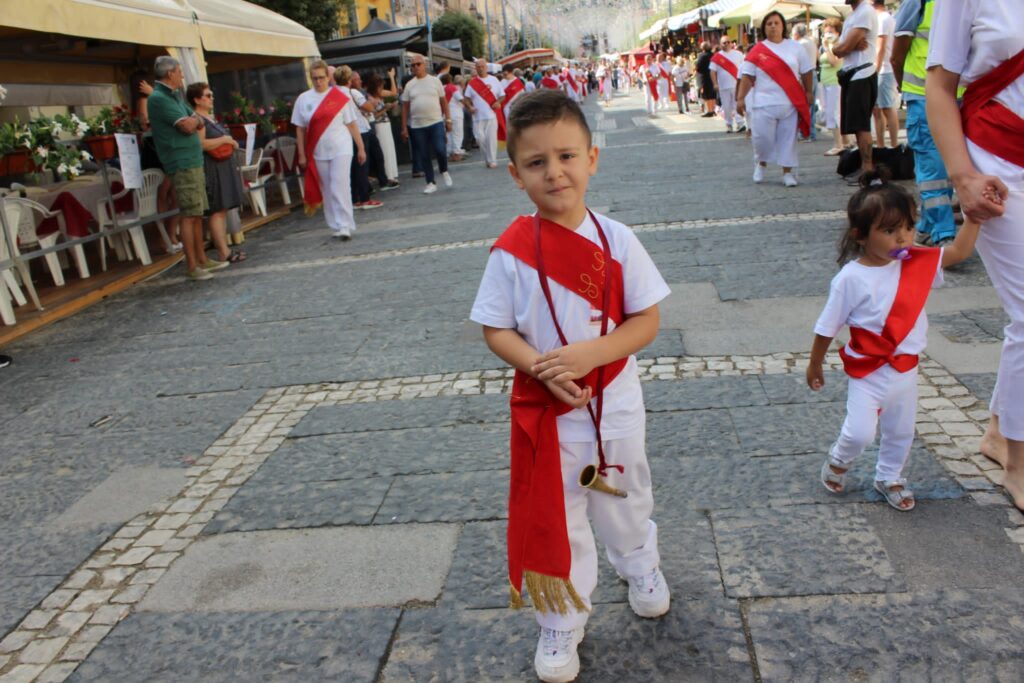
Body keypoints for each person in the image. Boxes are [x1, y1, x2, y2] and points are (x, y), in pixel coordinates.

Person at [469, 89, 671, 683]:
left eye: (566, 156)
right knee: (558, 514)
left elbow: (647, 320)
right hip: (548, 411)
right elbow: (496, 328)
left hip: (616, 405)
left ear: (592, 159)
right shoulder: (510, 253)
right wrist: (541, 367)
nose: (554, 173)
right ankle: (561, 616)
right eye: (536, 162)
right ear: (515, 174)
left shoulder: (619, 240)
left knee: (626, 497)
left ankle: (639, 564)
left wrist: (591, 355)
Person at [809, 171, 981, 511]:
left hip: (906, 369)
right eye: (889, 230)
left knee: (901, 431)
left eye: (908, 227)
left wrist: (973, 217)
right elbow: (827, 326)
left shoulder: (916, 262)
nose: (902, 237)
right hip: (868, 370)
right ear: (860, 235)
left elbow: (960, 251)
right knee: (860, 432)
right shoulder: (850, 278)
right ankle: (839, 458)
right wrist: (815, 363)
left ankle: (890, 476)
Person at [926, 0, 1024, 511]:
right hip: (997, 163)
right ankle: (1019, 466)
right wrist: (962, 176)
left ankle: (998, 431)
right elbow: (939, 87)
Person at [147, 56, 226, 280]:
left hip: (192, 160)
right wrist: (195, 120)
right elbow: (188, 125)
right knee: (189, 214)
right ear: (170, 73)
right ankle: (192, 265)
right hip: (181, 161)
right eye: (179, 71)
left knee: (197, 212)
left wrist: (195, 119)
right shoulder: (159, 98)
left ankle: (202, 259)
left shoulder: (174, 96)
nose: (182, 75)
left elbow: (196, 118)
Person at [890, 0, 954, 247]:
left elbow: (897, 57)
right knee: (935, 168)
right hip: (938, 96)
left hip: (932, 95)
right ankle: (936, 230)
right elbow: (897, 57)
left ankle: (934, 229)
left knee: (938, 168)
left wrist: (904, 86)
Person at [736, 12, 815, 187]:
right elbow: (747, 76)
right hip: (763, 103)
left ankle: (787, 173)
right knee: (762, 139)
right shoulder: (757, 50)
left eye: (776, 23)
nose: (773, 26)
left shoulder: (795, 48)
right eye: (769, 23)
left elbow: (806, 71)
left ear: (783, 26)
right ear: (764, 28)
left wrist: (809, 92)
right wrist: (740, 98)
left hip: (790, 102)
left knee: (788, 139)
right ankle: (761, 163)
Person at [292, 60, 367, 240]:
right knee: (326, 188)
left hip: (341, 146)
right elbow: (300, 129)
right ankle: (335, 224)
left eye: (321, 77)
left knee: (339, 184)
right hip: (318, 150)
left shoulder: (339, 97)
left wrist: (361, 147)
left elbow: (351, 123)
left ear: (328, 77)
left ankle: (345, 224)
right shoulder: (303, 99)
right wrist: (301, 154)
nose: (318, 82)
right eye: (314, 78)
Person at [185, 82, 245, 264]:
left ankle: (224, 248)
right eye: (208, 95)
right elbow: (200, 144)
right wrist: (225, 139)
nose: (212, 98)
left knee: (223, 209)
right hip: (212, 167)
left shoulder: (208, 118)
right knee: (217, 209)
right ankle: (223, 251)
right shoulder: (198, 119)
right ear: (197, 100)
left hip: (223, 165)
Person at [832, 0, 879, 182]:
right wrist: (843, 46)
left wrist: (844, 46)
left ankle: (868, 169)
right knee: (856, 126)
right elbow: (838, 49)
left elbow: (843, 48)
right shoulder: (853, 15)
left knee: (861, 125)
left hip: (862, 73)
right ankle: (864, 167)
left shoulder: (865, 12)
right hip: (853, 75)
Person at [400, 54, 453, 194]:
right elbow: (405, 107)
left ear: (425, 65)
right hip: (417, 125)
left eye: (418, 64)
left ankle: (444, 170)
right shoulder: (409, 85)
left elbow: (444, 102)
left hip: (435, 121)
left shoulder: (435, 81)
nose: (416, 67)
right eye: (413, 65)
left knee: (440, 149)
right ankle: (430, 182)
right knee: (424, 154)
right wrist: (404, 127)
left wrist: (448, 119)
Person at [346, 69, 389, 207]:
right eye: (357, 79)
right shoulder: (354, 92)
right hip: (361, 130)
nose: (360, 81)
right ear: (350, 80)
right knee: (363, 164)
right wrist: (371, 103)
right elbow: (370, 107)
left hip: (359, 129)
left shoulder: (343, 93)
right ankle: (364, 197)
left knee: (358, 166)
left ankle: (357, 197)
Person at [363, 72, 401, 191]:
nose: (381, 89)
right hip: (379, 125)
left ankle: (392, 174)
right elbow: (372, 116)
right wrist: (385, 108)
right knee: (384, 150)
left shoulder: (379, 95)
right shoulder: (369, 98)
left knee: (390, 149)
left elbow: (394, 93)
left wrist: (391, 77)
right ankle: (387, 176)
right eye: (379, 86)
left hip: (386, 123)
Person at [464, 58, 505, 169]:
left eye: (483, 67)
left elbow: (502, 95)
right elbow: (466, 98)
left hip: (491, 115)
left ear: (486, 68)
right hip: (477, 117)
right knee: (479, 139)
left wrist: (498, 102)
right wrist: (470, 107)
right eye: (478, 67)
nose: (481, 69)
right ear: (476, 68)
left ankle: (492, 160)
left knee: (491, 139)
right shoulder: (472, 83)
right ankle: (487, 157)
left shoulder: (494, 80)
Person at [872, 0, 899, 148]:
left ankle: (894, 145)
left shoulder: (882, 19)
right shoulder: (883, 18)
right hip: (881, 69)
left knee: (887, 108)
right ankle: (881, 145)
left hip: (884, 69)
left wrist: (876, 69)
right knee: (877, 110)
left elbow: (881, 47)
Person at [820, 18, 848, 155]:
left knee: (834, 114)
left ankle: (838, 144)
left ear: (838, 32)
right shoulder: (829, 45)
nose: (828, 35)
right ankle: (846, 141)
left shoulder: (838, 46)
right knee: (831, 112)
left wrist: (826, 48)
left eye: (831, 32)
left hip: (835, 83)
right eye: (826, 32)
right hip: (826, 82)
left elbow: (834, 63)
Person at [710, 37, 744, 132]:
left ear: (731, 43)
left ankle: (740, 123)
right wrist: (715, 83)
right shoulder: (717, 57)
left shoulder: (738, 54)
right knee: (726, 107)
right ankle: (729, 124)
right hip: (723, 86)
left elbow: (744, 68)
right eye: (724, 43)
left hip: (737, 85)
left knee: (737, 104)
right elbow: (712, 71)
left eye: (728, 42)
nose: (726, 44)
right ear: (720, 44)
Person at [792, 24, 819, 141]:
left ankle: (805, 133)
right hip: (813, 73)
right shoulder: (811, 42)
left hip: (804, 75)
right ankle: (811, 132)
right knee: (811, 105)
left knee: (804, 105)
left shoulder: (800, 44)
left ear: (797, 34)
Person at [441, 74, 467, 161]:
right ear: (450, 80)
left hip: (445, 115)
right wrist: (469, 106)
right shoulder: (452, 88)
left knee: (448, 134)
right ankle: (456, 153)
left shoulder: (441, 88)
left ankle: (449, 153)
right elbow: (460, 99)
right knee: (457, 134)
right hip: (456, 114)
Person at [696, 42, 717, 117]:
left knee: (706, 94)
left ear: (703, 48)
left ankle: (709, 110)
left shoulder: (702, 55)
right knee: (712, 94)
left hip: (704, 77)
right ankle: (713, 110)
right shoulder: (713, 55)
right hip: (712, 76)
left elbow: (698, 66)